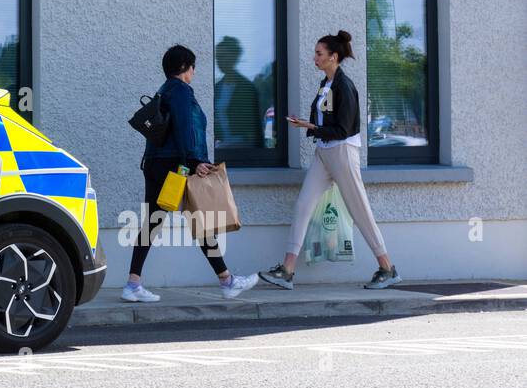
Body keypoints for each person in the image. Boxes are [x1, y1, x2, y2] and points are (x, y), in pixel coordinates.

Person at [258, 30, 401, 290]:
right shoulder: (326, 84)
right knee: (303, 204)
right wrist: (310, 125)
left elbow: (343, 129)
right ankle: (287, 270)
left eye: (319, 53)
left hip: (343, 152)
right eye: (315, 53)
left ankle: (387, 268)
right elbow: (327, 122)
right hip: (324, 152)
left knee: (360, 210)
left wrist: (309, 126)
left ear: (333, 57)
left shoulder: (344, 86)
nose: (315, 57)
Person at [123, 45, 259, 302]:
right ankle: (227, 281)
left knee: (153, 222)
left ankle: (133, 284)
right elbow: (186, 128)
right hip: (176, 166)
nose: (194, 72)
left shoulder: (163, 91)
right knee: (199, 217)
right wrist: (195, 160)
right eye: (193, 67)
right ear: (186, 67)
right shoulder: (182, 91)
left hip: (155, 163)